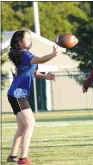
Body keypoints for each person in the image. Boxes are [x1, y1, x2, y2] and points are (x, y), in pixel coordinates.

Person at [7, 30, 58, 164]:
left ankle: (12, 156)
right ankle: (23, 158)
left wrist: (45, 76)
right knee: (30, 124)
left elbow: (34, 73)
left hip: (16, 94)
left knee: (22, 127)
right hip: (17, 94)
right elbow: (40, 59)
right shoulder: (24, 54)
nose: (30, 40)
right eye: (27, 38)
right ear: (19, 42)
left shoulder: (25, 54)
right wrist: (52, 54)